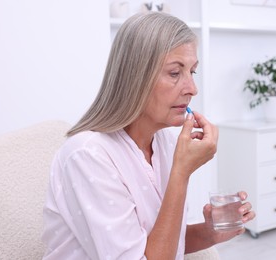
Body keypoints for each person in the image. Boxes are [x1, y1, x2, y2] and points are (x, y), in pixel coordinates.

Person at [42, 11, 255, 260]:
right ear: (136, 77)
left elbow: (161, 242)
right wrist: (181, 173)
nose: (192, 89)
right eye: (175, 73)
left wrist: (211, 232)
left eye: (192, 72)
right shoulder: (87, 156)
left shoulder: (164, 141)